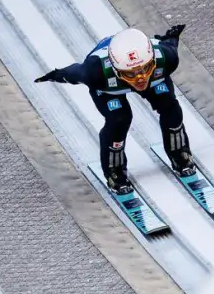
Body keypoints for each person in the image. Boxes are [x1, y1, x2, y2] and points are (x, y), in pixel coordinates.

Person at [34, 24, 193, 192]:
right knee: (119, 120)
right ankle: (114, 172)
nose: (140, 79)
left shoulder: (167, 59)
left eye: (144, 69)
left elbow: (170, 44)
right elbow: (73, 73)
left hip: (146, 78)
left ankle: (179, 154)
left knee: (171, 109)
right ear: (116, 70)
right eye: (130, 73)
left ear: (153, 60)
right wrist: (54, 75)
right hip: (108, 88)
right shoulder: (95, 72)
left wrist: (172, 37)